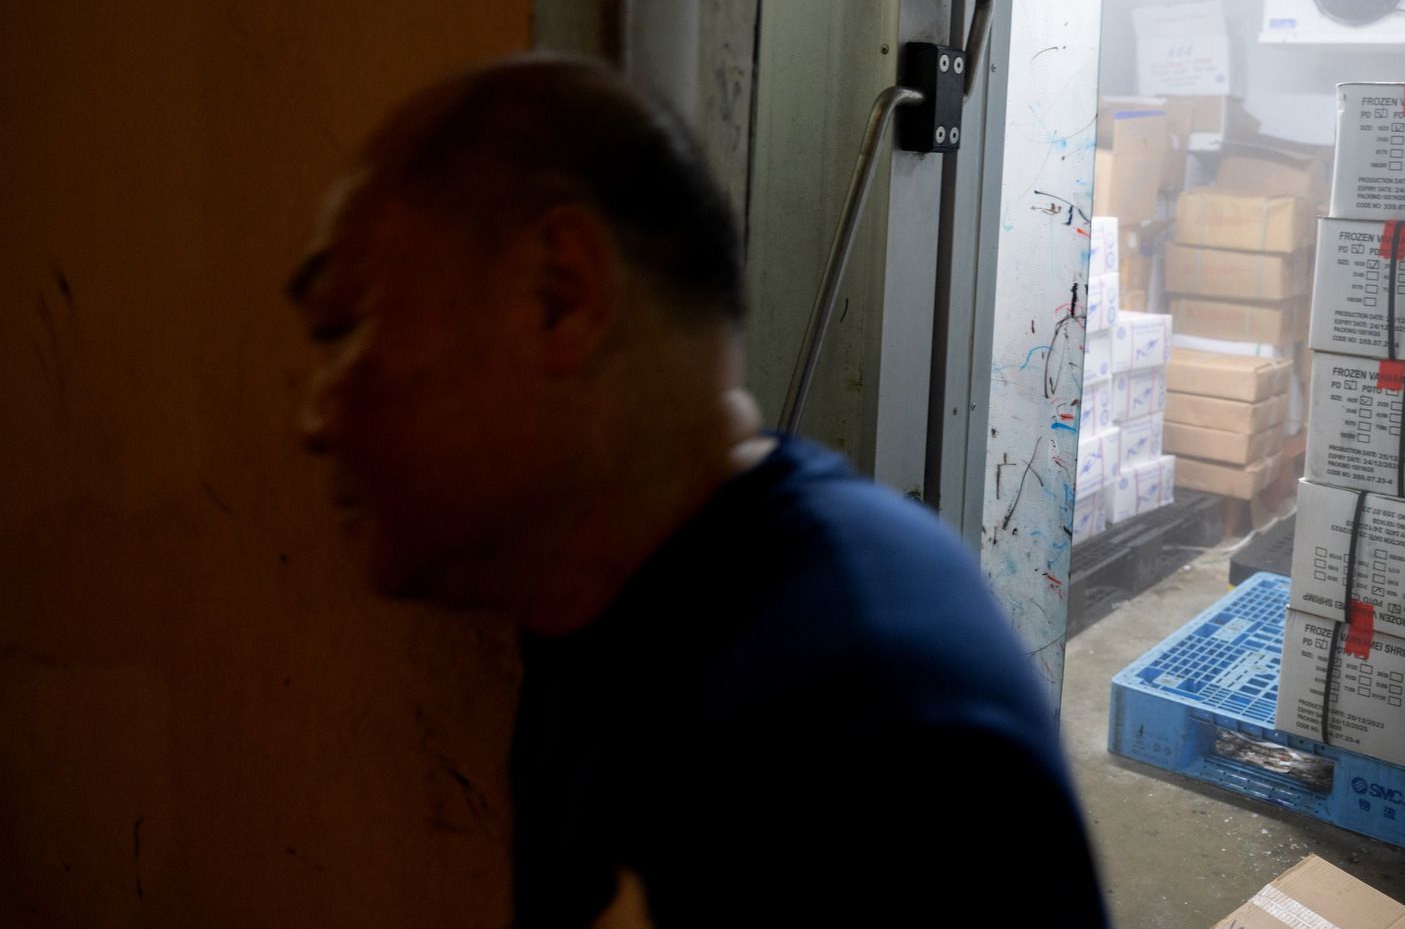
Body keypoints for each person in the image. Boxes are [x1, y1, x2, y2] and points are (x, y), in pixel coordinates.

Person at [287, 54, 1109, 927]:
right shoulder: (598, 605)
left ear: (559, 294)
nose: (313, 418)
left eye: (348, 328)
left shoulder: (866, 732)